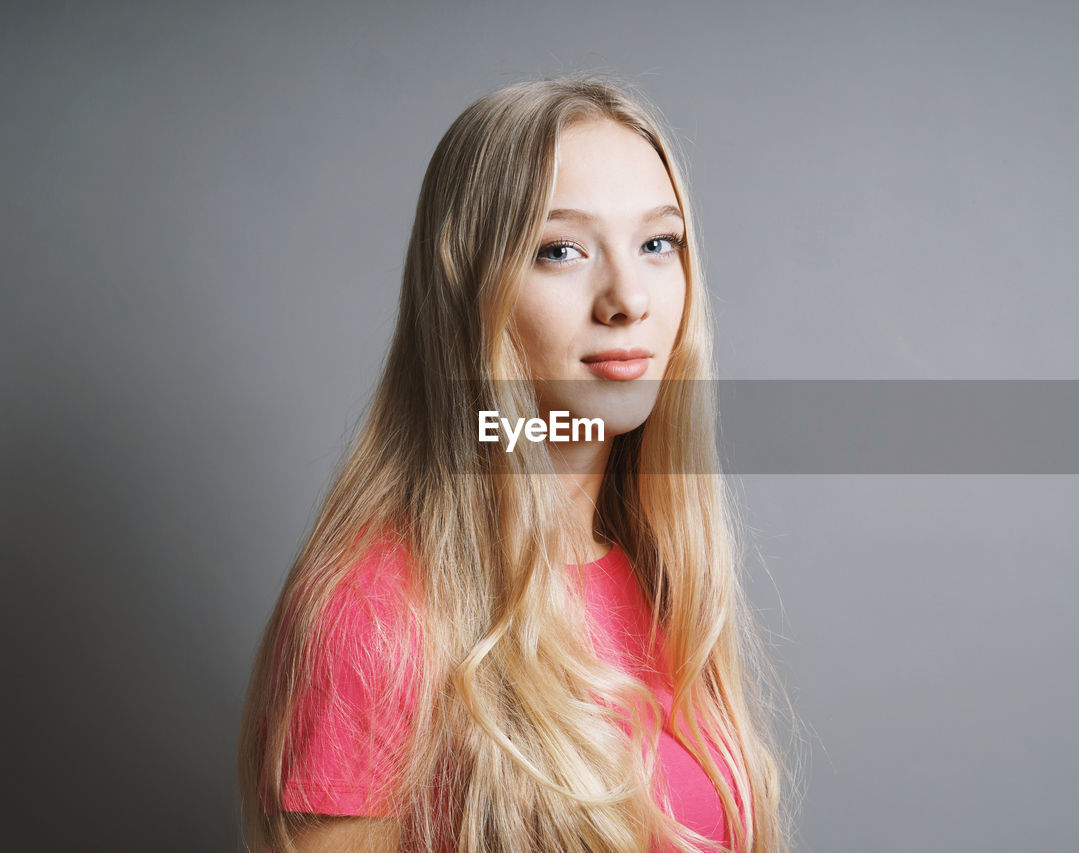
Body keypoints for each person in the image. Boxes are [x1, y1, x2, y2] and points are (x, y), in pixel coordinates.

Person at [237, 73, 792, 853]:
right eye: (559, 249)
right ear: (469, 290)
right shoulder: (375, 613)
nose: (628, 297)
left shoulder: (663, 576)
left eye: (657, 243)